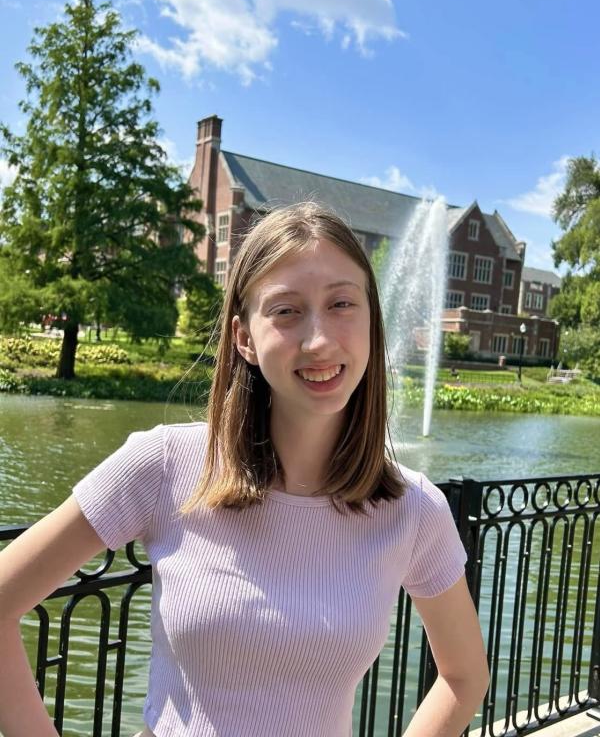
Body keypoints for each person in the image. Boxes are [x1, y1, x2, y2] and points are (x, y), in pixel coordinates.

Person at [0, 202, 489, 737]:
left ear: (372, 319)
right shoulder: (163, 464)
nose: (320, 340)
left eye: (342, 303)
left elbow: (464, 676)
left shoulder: (412, 508)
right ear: (244, 338)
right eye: (286, 311)